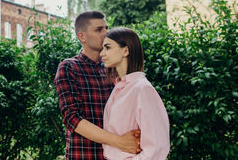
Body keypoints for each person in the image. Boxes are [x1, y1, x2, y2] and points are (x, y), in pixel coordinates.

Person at [55, 11, 141, 160]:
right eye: (99, 29)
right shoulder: (69, 67)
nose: (106, 33)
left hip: (118, 156)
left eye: (106, 28)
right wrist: (120, 142)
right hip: (84, 155)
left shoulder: (113, 69)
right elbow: (72, 118)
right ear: (82, 36)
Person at [100, 27, 170, 159]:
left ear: (125, 50)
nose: (102, 54)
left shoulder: (142, 88)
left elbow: (158, 146)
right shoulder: (119, 88)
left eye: (107, 48)